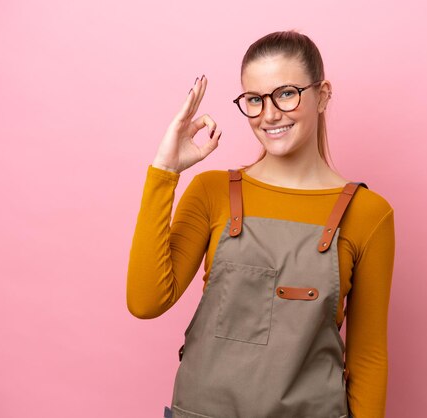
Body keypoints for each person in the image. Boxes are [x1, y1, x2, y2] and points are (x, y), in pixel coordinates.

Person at [126, 30, 395, 418]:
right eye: (254, 99)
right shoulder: (211, 192)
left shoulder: (368, 214)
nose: (269, 115)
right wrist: (164, 171)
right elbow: (145, 301)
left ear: (323, 95)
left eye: (286, 93)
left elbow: (368, 357)